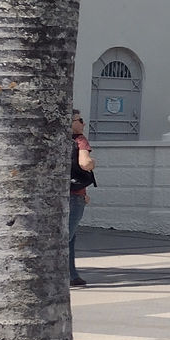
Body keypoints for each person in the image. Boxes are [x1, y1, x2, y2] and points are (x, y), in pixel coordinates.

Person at [69, 110, 96, 287]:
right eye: (80, 120)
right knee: (66, 237)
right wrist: (93, 163)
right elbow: (84, 163)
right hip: (75, 195)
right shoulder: (80, 140)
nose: (83, 124)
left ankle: (72, 275)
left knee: (70, 238)